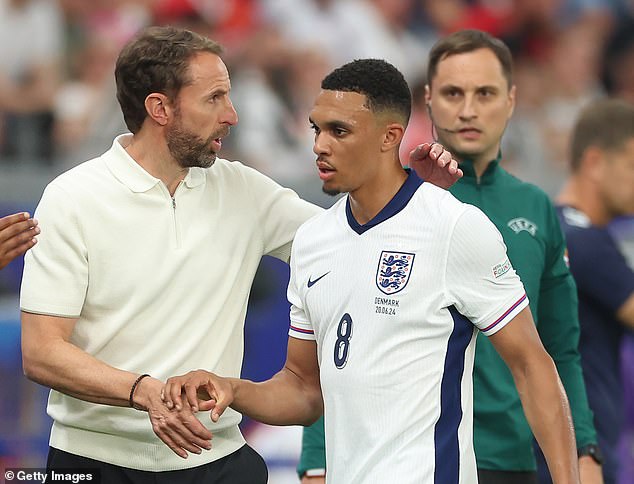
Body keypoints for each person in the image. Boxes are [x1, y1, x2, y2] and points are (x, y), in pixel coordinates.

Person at [19, 26, 458, 484]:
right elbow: (43, 352)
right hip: (91, 464)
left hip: (218, 462)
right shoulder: (71, 198)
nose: (232, 115)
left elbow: (361, 249)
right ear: (160, 108)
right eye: (214, 98)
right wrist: (143, 392)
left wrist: (417, 198)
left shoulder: (244, 189)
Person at [162, 58, 580, 484]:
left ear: (390, 137)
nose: (320, 145)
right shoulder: (312, 241)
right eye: (316, 129)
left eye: (339, 131)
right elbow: (304, 388)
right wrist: (234, 390)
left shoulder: (454, 226)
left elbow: (532, 365)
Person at [298, 29, 602, 484]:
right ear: (428, 102)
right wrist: (317, 460)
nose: (467, 109)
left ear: (511, 100)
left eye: (485, 93)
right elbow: (343, 348)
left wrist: (585, 450)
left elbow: (556, 349)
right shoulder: (376, 208)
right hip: (416, 459)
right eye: (452, 93)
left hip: (513, 457)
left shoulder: (534, 208)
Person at [553, 98, 634, 484]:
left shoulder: (553, 227)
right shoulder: (587, 242)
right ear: (595, 162)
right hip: (588, 450)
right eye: (633, 165)